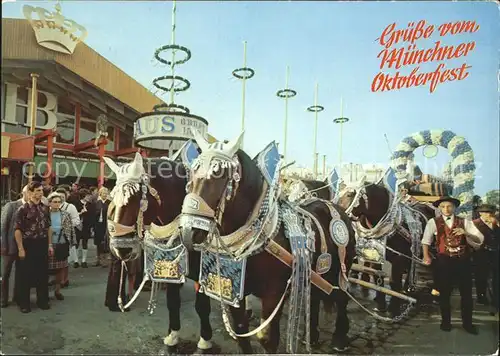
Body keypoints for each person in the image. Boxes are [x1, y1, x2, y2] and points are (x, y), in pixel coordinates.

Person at [422, 196, 484, 334]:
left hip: (463, 262)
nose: (446, 209)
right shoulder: (433, 222)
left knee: (466, 295)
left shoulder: (464, 221)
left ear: (454, 207)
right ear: (439, 208)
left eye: (449, 206)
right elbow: (426, 241)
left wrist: (466, 233)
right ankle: (446, 322)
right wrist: (426, 256)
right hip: (444, 262)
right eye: (443, 207)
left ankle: (468, 324)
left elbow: (480, 239)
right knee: (444, 294)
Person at [15, 181, 53, 313]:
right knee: (25, 275)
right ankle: (24, 303)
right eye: (37, 190)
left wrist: (49, 244)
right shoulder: (22, 209)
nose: (40, 193)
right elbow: (18, 230)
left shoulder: (45, 208)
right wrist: (20, 248)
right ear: (30, 192)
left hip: (42, 243)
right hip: (28, 244)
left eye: (41, 190)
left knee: (42, 274)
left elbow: (48, 227)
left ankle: (42, 301)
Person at [1, 185, 29, 307]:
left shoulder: (32, 207)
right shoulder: (11, 205)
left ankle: (17, 297)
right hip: (10, 245)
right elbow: (3, 226)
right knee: (5, 273)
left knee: (21, 273)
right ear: (25, 193)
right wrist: (3, 245)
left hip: (25, 246)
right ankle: (3, 299)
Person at [47, 192, 75, 300]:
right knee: (46, 269)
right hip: (48, 244)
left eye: (59, 202)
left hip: (62, 243)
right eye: (55, 202)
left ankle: (57, 291)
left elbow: (70, 229)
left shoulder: (65, 214)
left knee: (60, 269)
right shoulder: (45, 214)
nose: (57, 204)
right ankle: (45, 291)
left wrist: (72, 242)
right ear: (49, 203)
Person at [472, 204, 499, 312]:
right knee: (481, 276)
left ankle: (496, 299)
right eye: (487, 212)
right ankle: (481, 297)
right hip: (481, 253)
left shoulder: (496, 222)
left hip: (495, 253)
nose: (489, 214)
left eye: (491, 212)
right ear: (480, 213)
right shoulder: (475, 224)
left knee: (497, 277)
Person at [55, 188, 80, 287]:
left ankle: (64, 279)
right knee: (55, 259)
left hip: (66, 236)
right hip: (54, 235)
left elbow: (77, 220)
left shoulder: (70, 207)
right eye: (59, 196)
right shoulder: (52, 205)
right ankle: (57, 279)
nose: (61, 198)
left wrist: (66, 224)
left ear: (66, 197)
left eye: (62, 196)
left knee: (65, 259)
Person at [71, 189, 94, 268]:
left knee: (85, 242)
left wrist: (91, 227)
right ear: (83, 196)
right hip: (77, 226)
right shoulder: (76, 203)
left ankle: (84, 261)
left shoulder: (90, 204)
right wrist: (81, 212)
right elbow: (73, 215)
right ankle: (76, 260)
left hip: (86, 226)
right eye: (87, 195)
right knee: (76, 243)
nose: (89, 197)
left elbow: (92, 216)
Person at [93, 187, 110, 267]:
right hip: (98, 224)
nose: (105, 195)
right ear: (100, 194)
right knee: (98, 242)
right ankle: (98, 259)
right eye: (103, 193)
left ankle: (105, 260)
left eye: (106, 194)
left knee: (105, 242)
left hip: (106, 224)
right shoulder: (97, 203)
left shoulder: (109, 203)